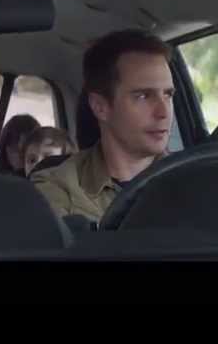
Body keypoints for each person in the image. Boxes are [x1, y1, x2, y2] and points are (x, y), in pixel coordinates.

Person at [31, 29, 174, 223]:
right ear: (100, 107)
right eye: (143, 96)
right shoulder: (58, 188)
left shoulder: (195, 177)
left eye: (168, 94)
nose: (163, 112)